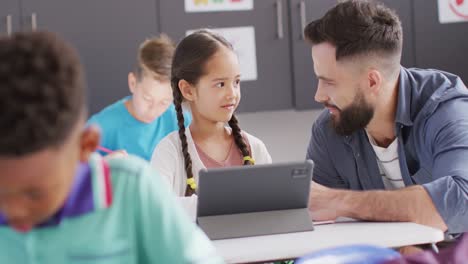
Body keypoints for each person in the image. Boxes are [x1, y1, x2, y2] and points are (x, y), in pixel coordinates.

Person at [0, 31, 223, 264]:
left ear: (85, 148)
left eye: (34, 193)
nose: (14, 215)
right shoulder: (106, 123)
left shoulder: (133, 190)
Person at [304, 0, 468, 238]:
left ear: (372, 82)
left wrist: (340, 202)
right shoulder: (329, 129)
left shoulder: (448, 111)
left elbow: (462, 201)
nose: (318, 95)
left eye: (329, 82)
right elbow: (315, 220)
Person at [88, 35, 191, 161]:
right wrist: (103, 167)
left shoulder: (181, 120)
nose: (154, 111)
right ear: (133, 83)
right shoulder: (99, 127)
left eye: (164, 102)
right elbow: (69, 174)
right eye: (147, 99)